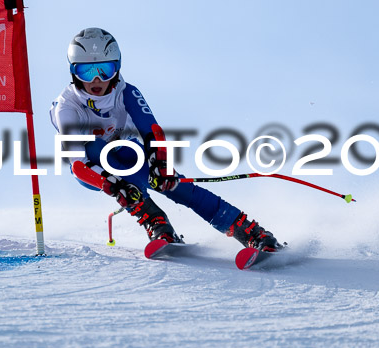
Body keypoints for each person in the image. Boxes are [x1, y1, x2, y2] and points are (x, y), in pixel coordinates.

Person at [50, 28, 282, 251]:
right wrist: (111, 184)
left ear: (117, 68)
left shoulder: (126, 92)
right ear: (73, 72)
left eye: (105, 69)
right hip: (93, 168)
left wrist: (160, 165)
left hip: (131, 153)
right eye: (86, 72)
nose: (97, 80)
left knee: (174, 185)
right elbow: (78, 165)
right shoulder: (67, 106)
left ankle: (250, 232)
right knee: (95, 148)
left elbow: (153, 132)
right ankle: (156, 221)